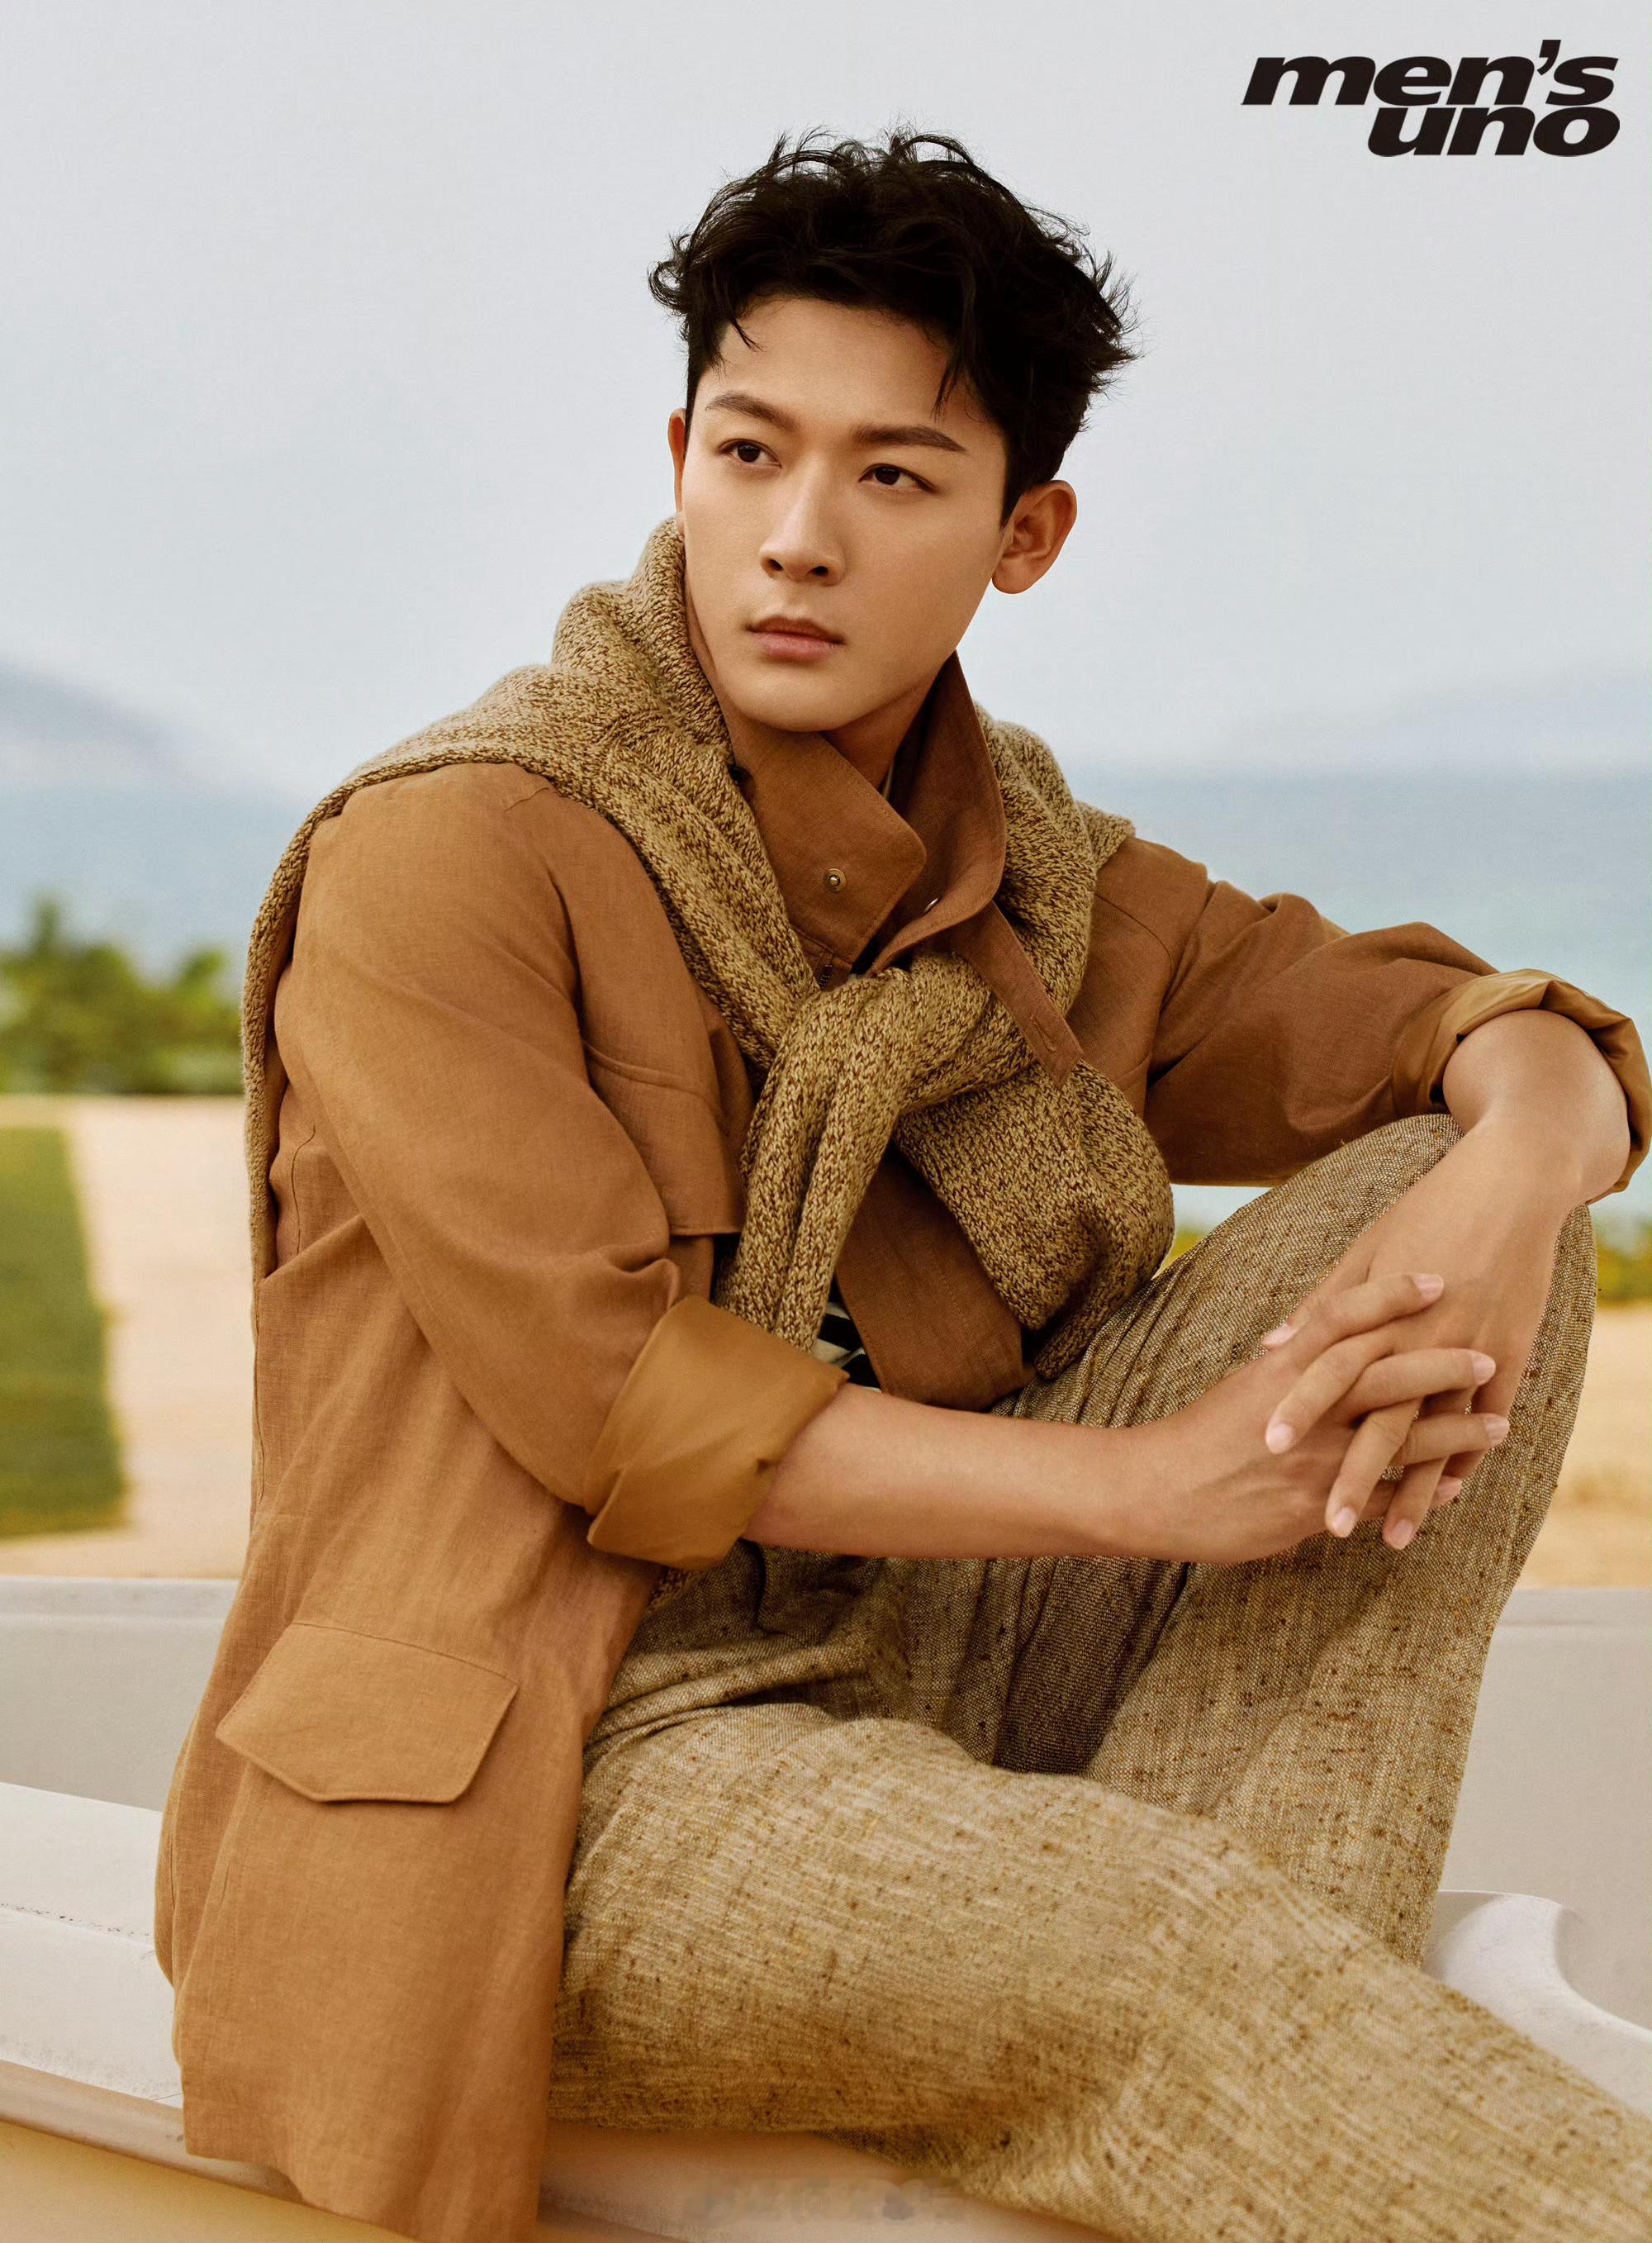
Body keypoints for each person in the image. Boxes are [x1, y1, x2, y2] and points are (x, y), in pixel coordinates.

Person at [155, 130, 1652, 2243]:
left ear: (1023, 531)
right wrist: (1154, 1487)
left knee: (1439, 1179)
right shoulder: (447, 851)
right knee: (1166, 1943)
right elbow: (615, 1401)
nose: (797, 538)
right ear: (679, 455)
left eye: (891, 475)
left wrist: (1517, 1175)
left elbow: (1467, 1028)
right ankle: (1207, 2001)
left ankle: (1190, 2030)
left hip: (928, 1657)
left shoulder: (1025, 874)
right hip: (570, 1773)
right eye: (752, 451)